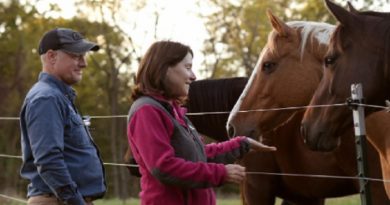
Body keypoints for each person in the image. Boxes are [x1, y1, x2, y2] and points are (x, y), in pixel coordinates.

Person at [127, 40, 276, 205]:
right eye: (188, 67)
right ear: (164, 68)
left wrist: (241, 144)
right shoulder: (147, 111)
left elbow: (197, 155)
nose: (193, 76)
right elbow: (163, 167)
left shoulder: (173, 110)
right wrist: (221, 173)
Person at [20, 28, 106, 205]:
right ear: (51, 57)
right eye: (76, 56)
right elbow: (49, 160)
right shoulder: (46, 98)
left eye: (84, 56)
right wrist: (76, 201)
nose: (84, 63)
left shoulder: (58, 97)